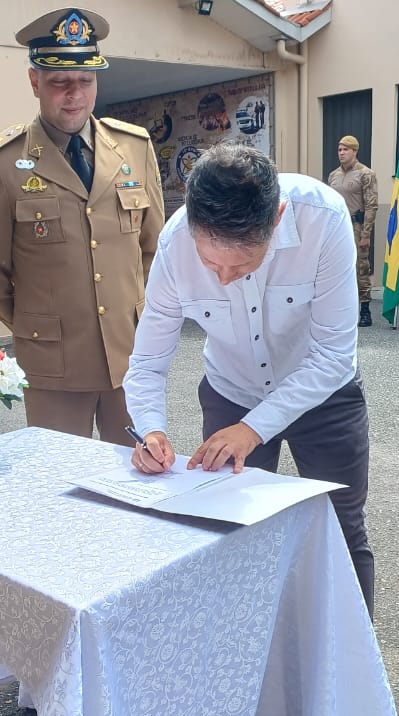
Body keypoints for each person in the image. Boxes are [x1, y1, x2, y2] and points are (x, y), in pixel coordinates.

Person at [122, 143, 375, 615]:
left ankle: (353, 671)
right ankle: (243, 655)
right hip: (231, 391)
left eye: (241, 266)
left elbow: (334, 355)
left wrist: (253, 429)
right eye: (211, 265)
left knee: (341, 526)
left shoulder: (324, 218)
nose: (223, 279)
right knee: (228, 527)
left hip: (323, 392)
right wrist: (150, 430)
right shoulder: (176, 246)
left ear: (276, 218)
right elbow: (148, 360)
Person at [0, 8, 165, 443]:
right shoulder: (2, 165)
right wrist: (41, 326)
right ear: (35, 81)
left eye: (86, 81)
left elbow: (152, 248)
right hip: (54, 367)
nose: (74, 95)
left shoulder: (133, 148)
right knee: (61, 490)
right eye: (60, 82)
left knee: (139, 482)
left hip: (129, 357)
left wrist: (133, 313)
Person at [326, 136, 379, 326]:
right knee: (337, 269)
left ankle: (365, 310)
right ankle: (342, 310)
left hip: (357, 227)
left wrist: (366, 234)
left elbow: (372, 205)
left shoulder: (366, 174)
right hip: (337, 228)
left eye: (345, 149)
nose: (341, 153)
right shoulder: (333, 175)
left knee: (361, 268)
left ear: (355, 151)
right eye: (339, 149)